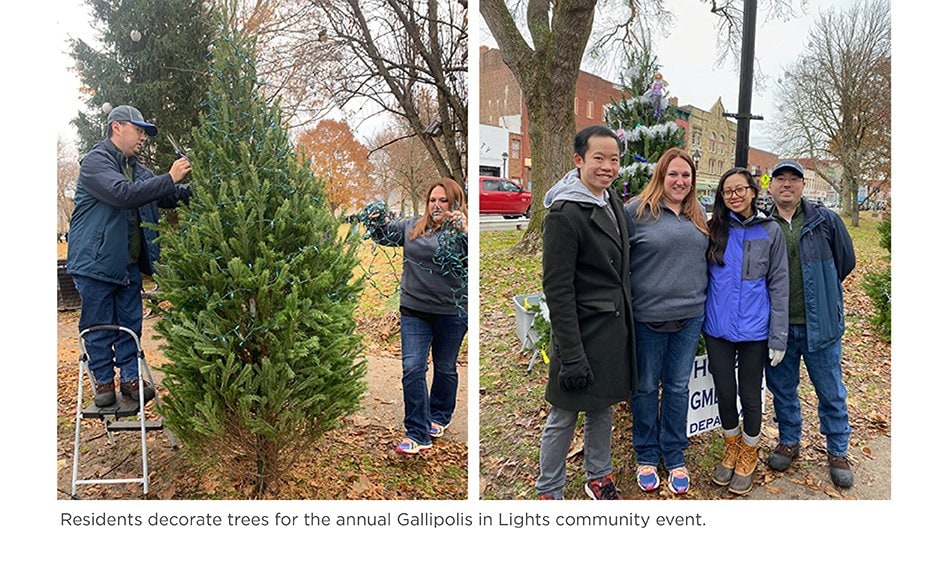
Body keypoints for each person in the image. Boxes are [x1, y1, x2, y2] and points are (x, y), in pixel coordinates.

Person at [67, 105, 192, 408]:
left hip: (128, 266)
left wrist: (195, 187)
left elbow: (166, 194)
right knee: (99, 326)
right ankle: (104, 383)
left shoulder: (138, 168)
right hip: (96, 263)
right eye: (139, 131)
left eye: (146, 134)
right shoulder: (96, 163)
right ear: (117, 127)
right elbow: (123, 194)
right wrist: (169, 176)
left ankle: (130, 381)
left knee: (130, 324)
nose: (143, 139)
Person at [536, 125, 635, 500]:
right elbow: (557, 289)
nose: (607, 166)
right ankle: (549, 490)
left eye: (614, 159)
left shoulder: (609, 201)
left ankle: (598, 476)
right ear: (579, 160)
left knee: (602, 407)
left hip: (611, 332)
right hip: (579, 331)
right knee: (563, 413)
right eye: (599, 158)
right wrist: (572, 354)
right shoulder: (565, 213)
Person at [764, 159, 857, 488]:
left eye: (794, 179)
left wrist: (825, 295)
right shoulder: (762, 224)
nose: (786, 184)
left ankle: (837, 450)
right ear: (771, 186)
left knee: (830, 391)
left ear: (803, 186)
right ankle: (789, 441)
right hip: (779, 329)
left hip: (821, 327)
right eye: (780, 179)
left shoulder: (825, 221)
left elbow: (846, 261)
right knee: (783, 389)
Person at [624, 147, 708, 495]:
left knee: (676, 387)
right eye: (673, 174)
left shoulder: (698, 214)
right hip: (647, 317)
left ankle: (674, 453)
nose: (680, 181)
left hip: (690, 316)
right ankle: (646, 452)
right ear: (661, 175)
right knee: (644, 386)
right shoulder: (636, 212)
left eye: (685, 175)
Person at [367, 178, 468, 455]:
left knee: (445, 368)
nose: (436, 205)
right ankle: (417, 432)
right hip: (414, 311)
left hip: (452, 312)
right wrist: (376, 221)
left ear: (455, 203)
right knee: (412, 368)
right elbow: (384, 235)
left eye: (443, 200)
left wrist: (465, 232)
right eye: (432, 200)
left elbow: (472, 261)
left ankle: (439, 416)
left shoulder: (461, 233)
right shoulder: (412, 226)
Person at [703, 167, 789, 495]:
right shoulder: (714, 229)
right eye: (728, 191)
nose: (734, 195)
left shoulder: (770, 231)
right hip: (717, 328)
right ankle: (731, 447)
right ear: (722, 197)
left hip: (755, 330)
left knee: (749, 395)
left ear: (753, 190)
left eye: (740, 189)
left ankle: (749, 452)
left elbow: (780, 284)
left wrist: (778, 335)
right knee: (725, 392)